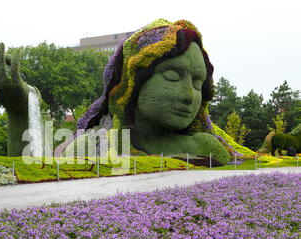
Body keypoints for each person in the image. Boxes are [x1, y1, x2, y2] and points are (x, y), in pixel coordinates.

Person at [57, 19, 230, 164]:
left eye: (197, 84)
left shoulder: (207, 146)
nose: (189, 96)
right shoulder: (92, 145)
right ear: (132, 82)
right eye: (172, 76)